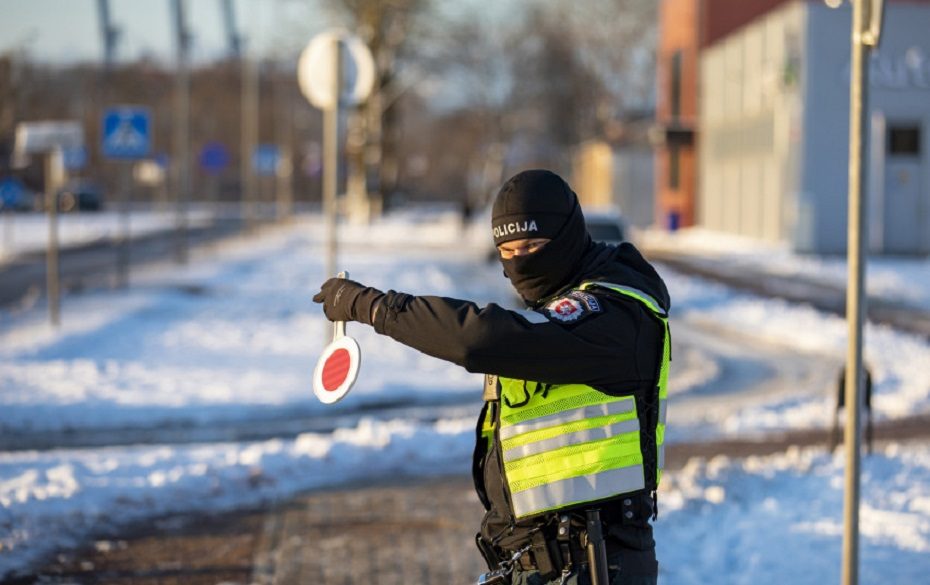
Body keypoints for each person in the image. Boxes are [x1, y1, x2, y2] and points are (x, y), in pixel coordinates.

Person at [313, 169, 670, 584]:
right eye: (508, 250)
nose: (521, 261)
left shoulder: (614, 314)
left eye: (534, 246)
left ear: (570, 235)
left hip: (596, 564)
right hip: (539, 564)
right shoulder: (555, 308)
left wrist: (376, 309)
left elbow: (481, 338)